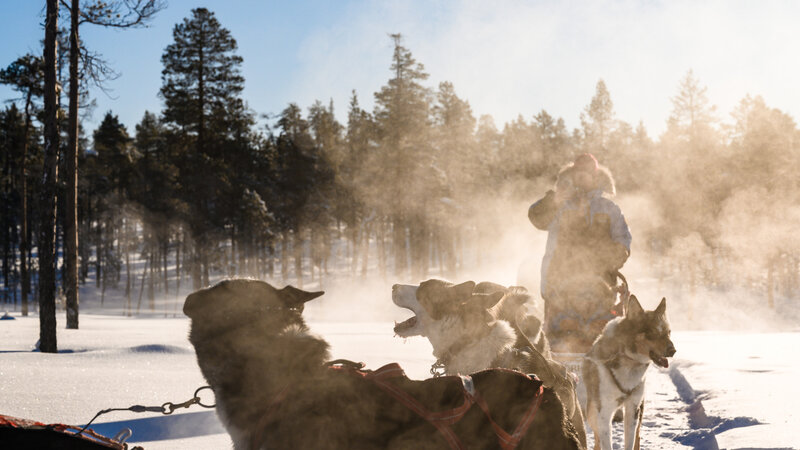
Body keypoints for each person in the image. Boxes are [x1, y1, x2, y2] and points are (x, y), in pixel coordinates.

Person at [528, 153, 631, 352]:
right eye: (577, 174)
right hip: (559, 283)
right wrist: (555, 198)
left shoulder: (609, 208)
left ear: (595, 177)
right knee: (558, 339)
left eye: (585, 175)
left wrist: (605, 260)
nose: (580, 179)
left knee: (600, 339)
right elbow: (536, 217)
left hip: (601, 286)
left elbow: (623, 243)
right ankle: (559, 377)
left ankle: (601, 376)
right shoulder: (560, 204)